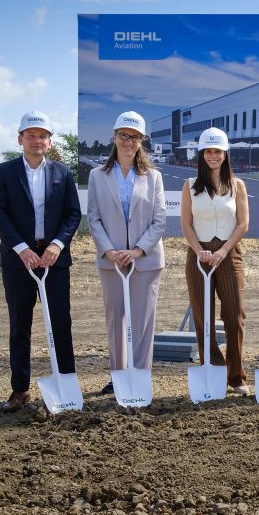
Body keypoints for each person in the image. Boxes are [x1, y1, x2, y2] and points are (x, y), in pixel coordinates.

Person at [0, 111, 81, 413]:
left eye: (43, 136)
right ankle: (20, 389)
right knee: (20, 324)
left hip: (54, 260)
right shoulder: (3, 172)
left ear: (50, 141)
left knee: (61, 322)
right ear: (20, 139)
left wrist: (56, 245)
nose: (37, 140)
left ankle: (66, 384)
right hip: (19, 261)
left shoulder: (62, 173)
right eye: (31, 135)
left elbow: (72, 214)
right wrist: (21, 249)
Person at [87, 111, 167, 394]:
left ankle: (140, 378)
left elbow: (159, 220)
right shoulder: (97, 175)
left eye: (135, 137)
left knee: (143, 321)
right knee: (116, 320)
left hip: (145, 261)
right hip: (111, 261)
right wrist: (109, 250)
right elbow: (93, 218)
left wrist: (137, 251)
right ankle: (119, 377)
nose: (128, 141)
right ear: (114, 136)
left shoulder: (153, 177)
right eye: (124, 135)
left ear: (141, 140)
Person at [180, 127, 251, 395]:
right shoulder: (190, 186)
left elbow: (243, 224)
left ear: (225, 154)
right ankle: (213, 370)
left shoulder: (237, 185)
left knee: (234, 315)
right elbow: (186, 224)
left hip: (229, 254)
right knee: (203, 317)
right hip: (198, 255)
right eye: (208, 151)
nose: (213, 156)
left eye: (218, 151)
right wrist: (199, 250)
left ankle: (236, 376)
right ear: (201, 154)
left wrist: (223, 251)